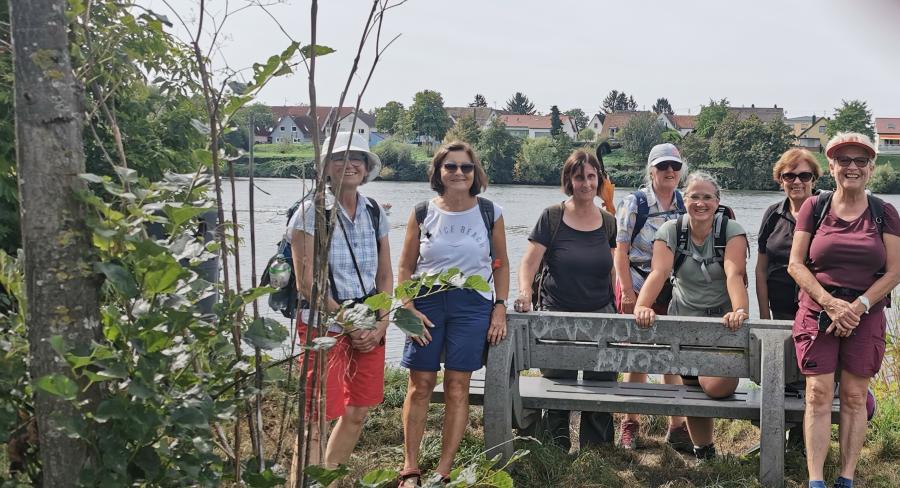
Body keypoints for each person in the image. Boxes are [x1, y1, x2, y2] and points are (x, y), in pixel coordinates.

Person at [786, 133, 900, 488]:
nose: (852, 167)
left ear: (871, 167)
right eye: (844, 160)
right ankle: (816, 480)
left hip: (865, 314)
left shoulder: (885, 213)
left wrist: (860, 305)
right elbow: (796, 264)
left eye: (861, 160)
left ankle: (846, 477)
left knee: (853, 396)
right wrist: (830, 303)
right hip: (818, 310)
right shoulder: (814, 208)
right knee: (818, 393)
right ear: (831, 166)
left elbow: (896, 270)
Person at [397, 141, 510, 486]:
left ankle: (443, 472)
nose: (459, 173)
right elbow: (405, 266)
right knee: (420, 385)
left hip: (473, 305)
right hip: (428, 303)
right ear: (438, 172)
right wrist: (407, 309)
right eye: (451, 167)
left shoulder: (491, 212)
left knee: (458, 387)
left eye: (466, 167)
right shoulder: (421, 212)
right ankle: (410, 468)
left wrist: (500, 308)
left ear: (475, 173)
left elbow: (502, 265)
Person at [287, 132, 392, 478]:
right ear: (326, 169)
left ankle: (327, 479)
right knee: (317, 417)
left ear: (367, 169)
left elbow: (386, 277)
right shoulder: (310, 213)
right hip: (324, 328)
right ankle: (306, 482)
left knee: (357, 411)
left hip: (368, 327)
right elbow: (306, 284)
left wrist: (380, 324)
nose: (350, 164)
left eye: (358, 159)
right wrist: (350, 323)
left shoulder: (374, 211)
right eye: (340, 158)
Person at [633, 171, 749, 460]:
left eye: (707, 197)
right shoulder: (671, 231)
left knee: (715, 385)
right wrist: (642, 305)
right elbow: (659, 272)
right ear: (684, 200)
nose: (700, 202)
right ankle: (704, 450)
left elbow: (734, 274)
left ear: (717, 201)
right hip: (685, 321)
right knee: (693, 385)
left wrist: (740, 311)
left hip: (723, 324)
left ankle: (709, 440)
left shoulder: (731, 231)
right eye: (694, 196)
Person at [513, 149, 618, 452]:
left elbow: (611, 269)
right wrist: (524, 292)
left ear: (598, 179)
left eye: (591, 176)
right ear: (568, 181)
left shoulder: (609, 222)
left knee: (601, 385)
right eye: (578, 177)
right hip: (557, 313)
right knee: (558, 384)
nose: (585, 183)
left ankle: (596, 452)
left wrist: (618, 307)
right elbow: (530, 262)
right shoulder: (552, 217)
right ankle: (554, 448)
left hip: (601, 315)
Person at [613, 143, 691, 451]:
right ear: (651, 170)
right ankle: (631, 422)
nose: (670, 171)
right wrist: (628, 293)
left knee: (673, 355)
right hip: (636, 280)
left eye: (674, 166)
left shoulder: (685, 203)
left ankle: (677, 425)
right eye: (662, 167)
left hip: (671, 286)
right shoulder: (635, 203)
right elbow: (619, 251)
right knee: (638, 356)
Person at [756, 148, 822, 320]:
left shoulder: (826, 213)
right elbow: (761, 269)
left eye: (804, 176)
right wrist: (764, 315)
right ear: (780, 180)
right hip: (780, 310)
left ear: (813, 180)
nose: (797, 181)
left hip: (818, 313)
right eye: (789, 176)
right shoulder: (772, 214)